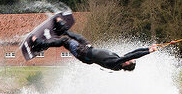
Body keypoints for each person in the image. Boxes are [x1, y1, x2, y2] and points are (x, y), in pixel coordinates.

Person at [27, 10, 158, 71]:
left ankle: (39, 45)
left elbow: (135, 55)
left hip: (83, 55)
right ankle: (61, 29)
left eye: (129, 60)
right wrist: (148, 48)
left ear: (126, 64)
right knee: (78, 37)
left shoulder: (116, 64)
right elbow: (134, 52)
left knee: (65, 41)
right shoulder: (121, 59)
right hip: (89, 49)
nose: (128, 57)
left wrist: (149, 52)